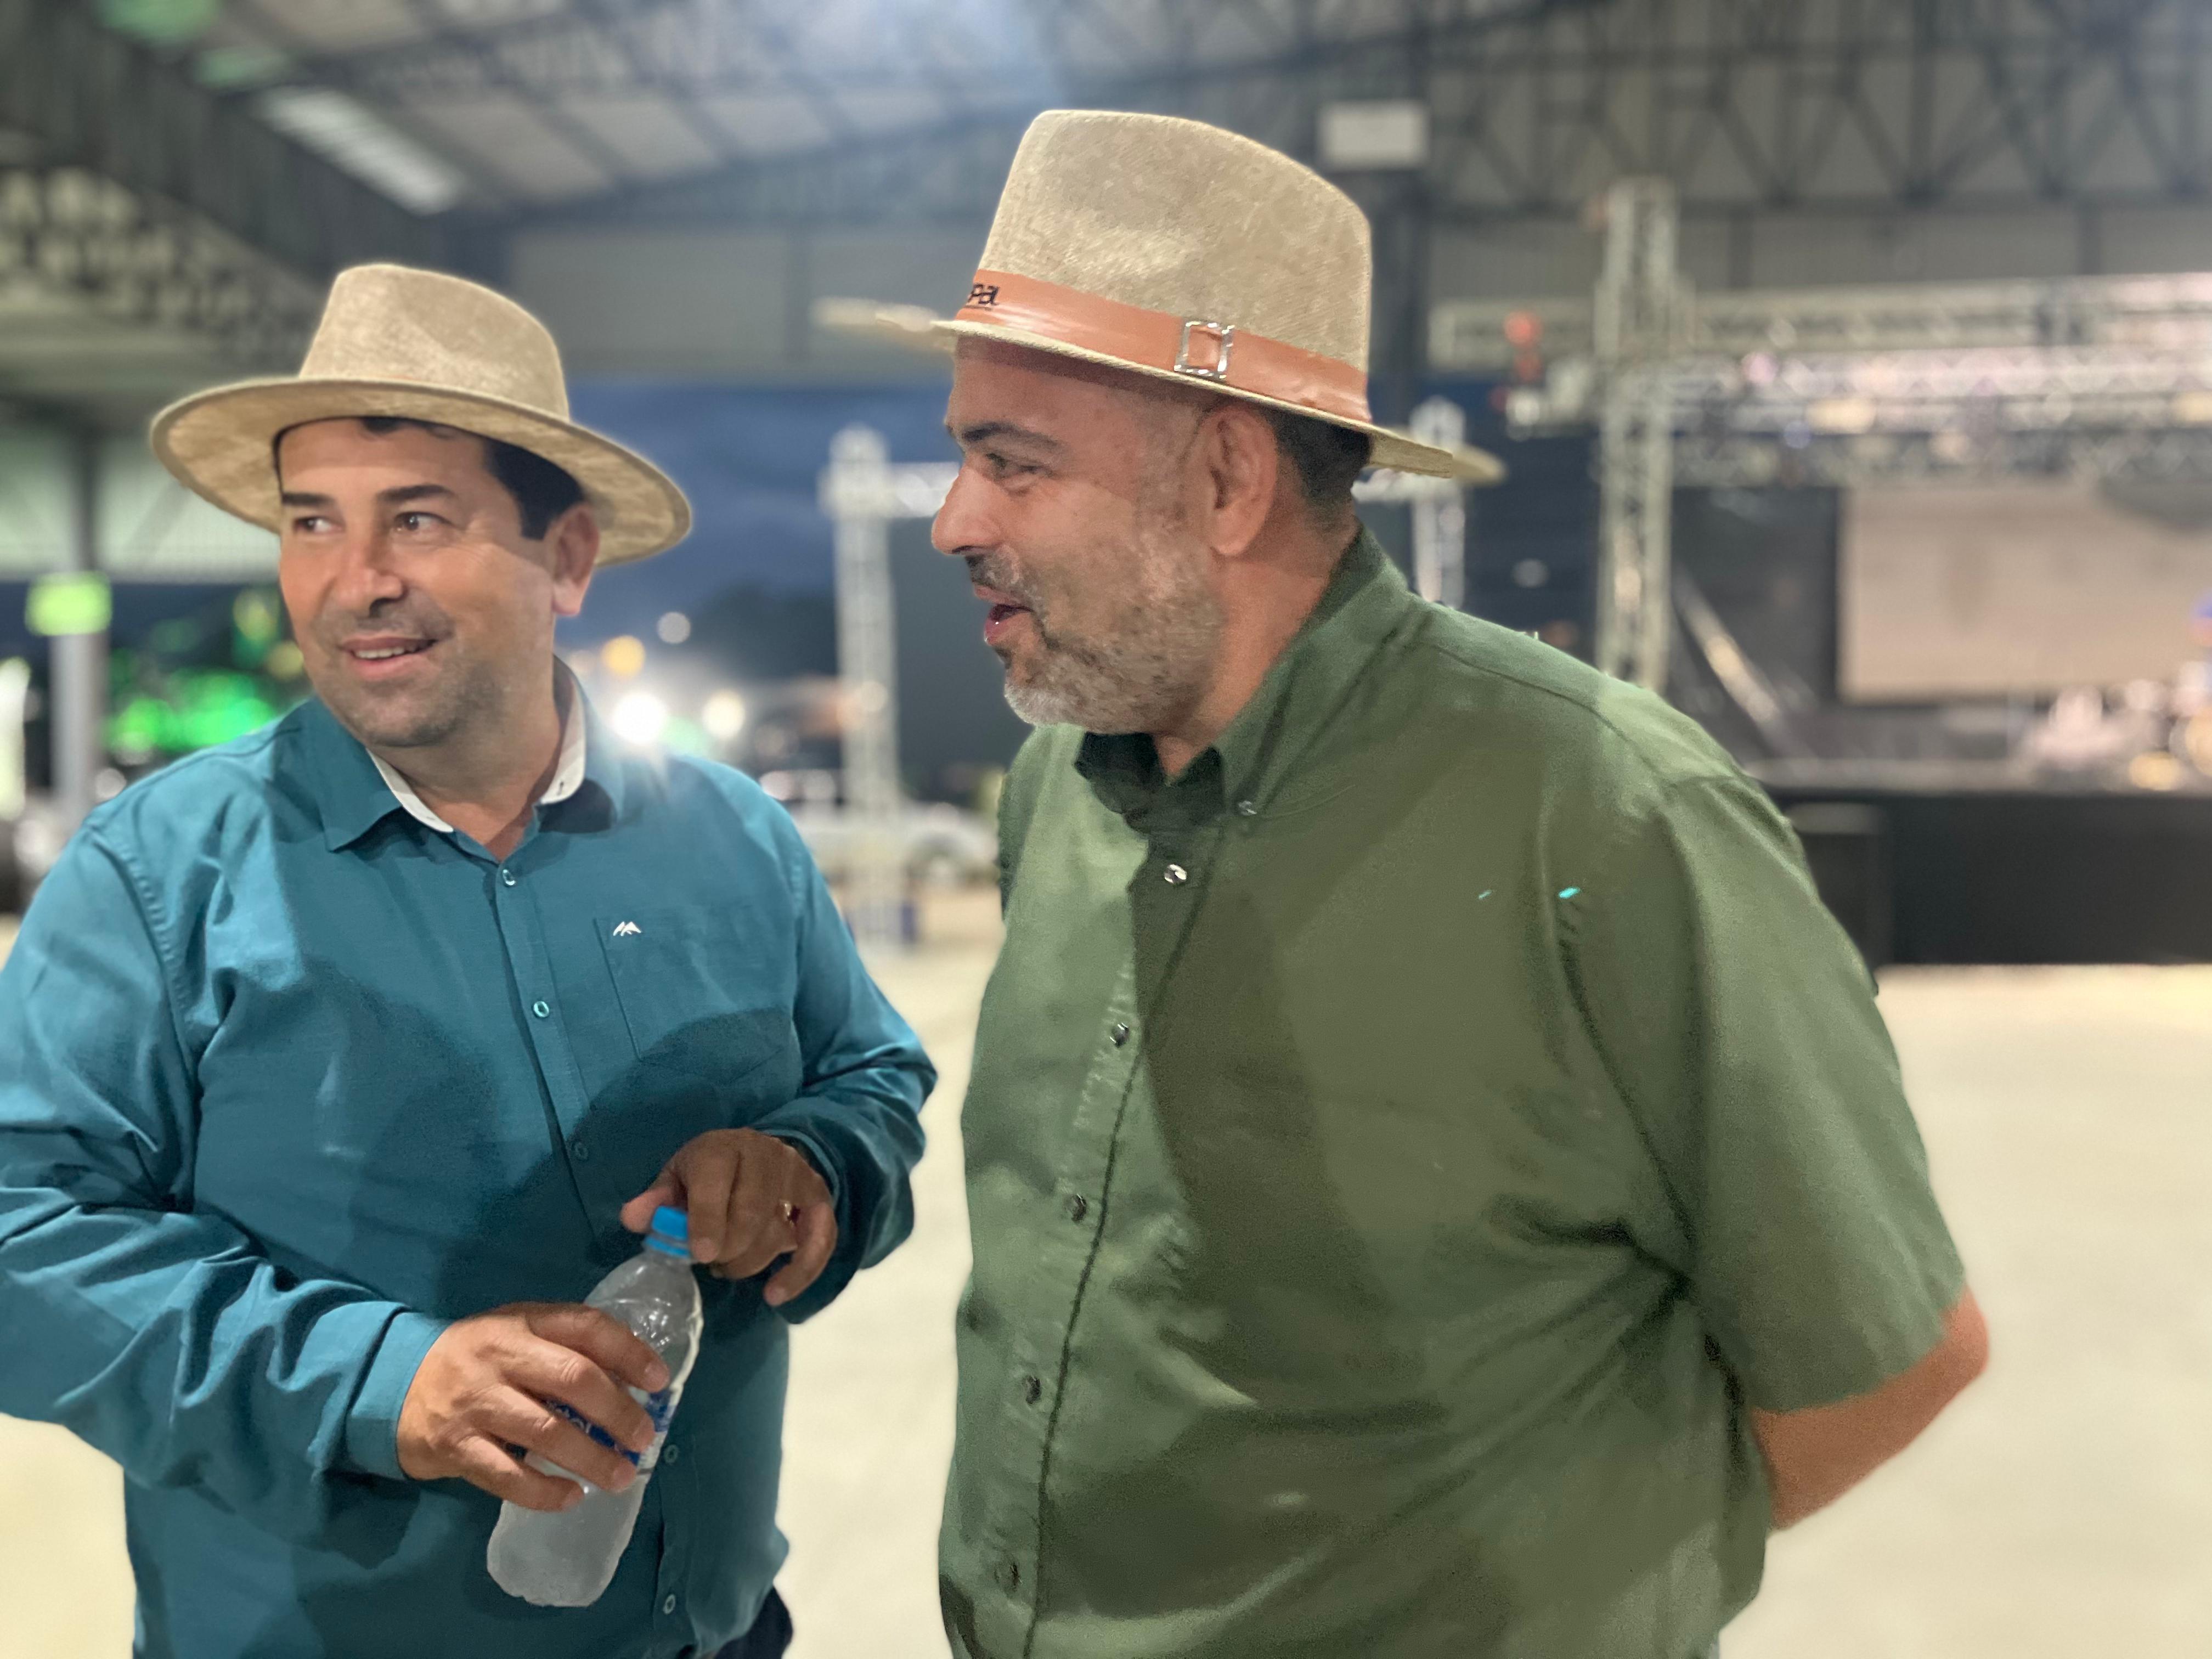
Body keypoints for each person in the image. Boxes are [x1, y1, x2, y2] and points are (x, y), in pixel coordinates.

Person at [876, 111, 1986, 1657]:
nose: (956, 521)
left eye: (1014, 464)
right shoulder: (1063, 788)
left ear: (1228, 479)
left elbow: (1890, 1358)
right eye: (964, 458)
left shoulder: (1604, 815)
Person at [0, 265, 933, 1659]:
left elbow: (873, 1076)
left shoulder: (735, 841)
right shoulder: (159, 875)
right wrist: (384, 1381)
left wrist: (813, 1165)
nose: (356, 579)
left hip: (711, 1633)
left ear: (569, 560)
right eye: (312, 521)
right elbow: (24, 1237)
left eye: (419, 519)